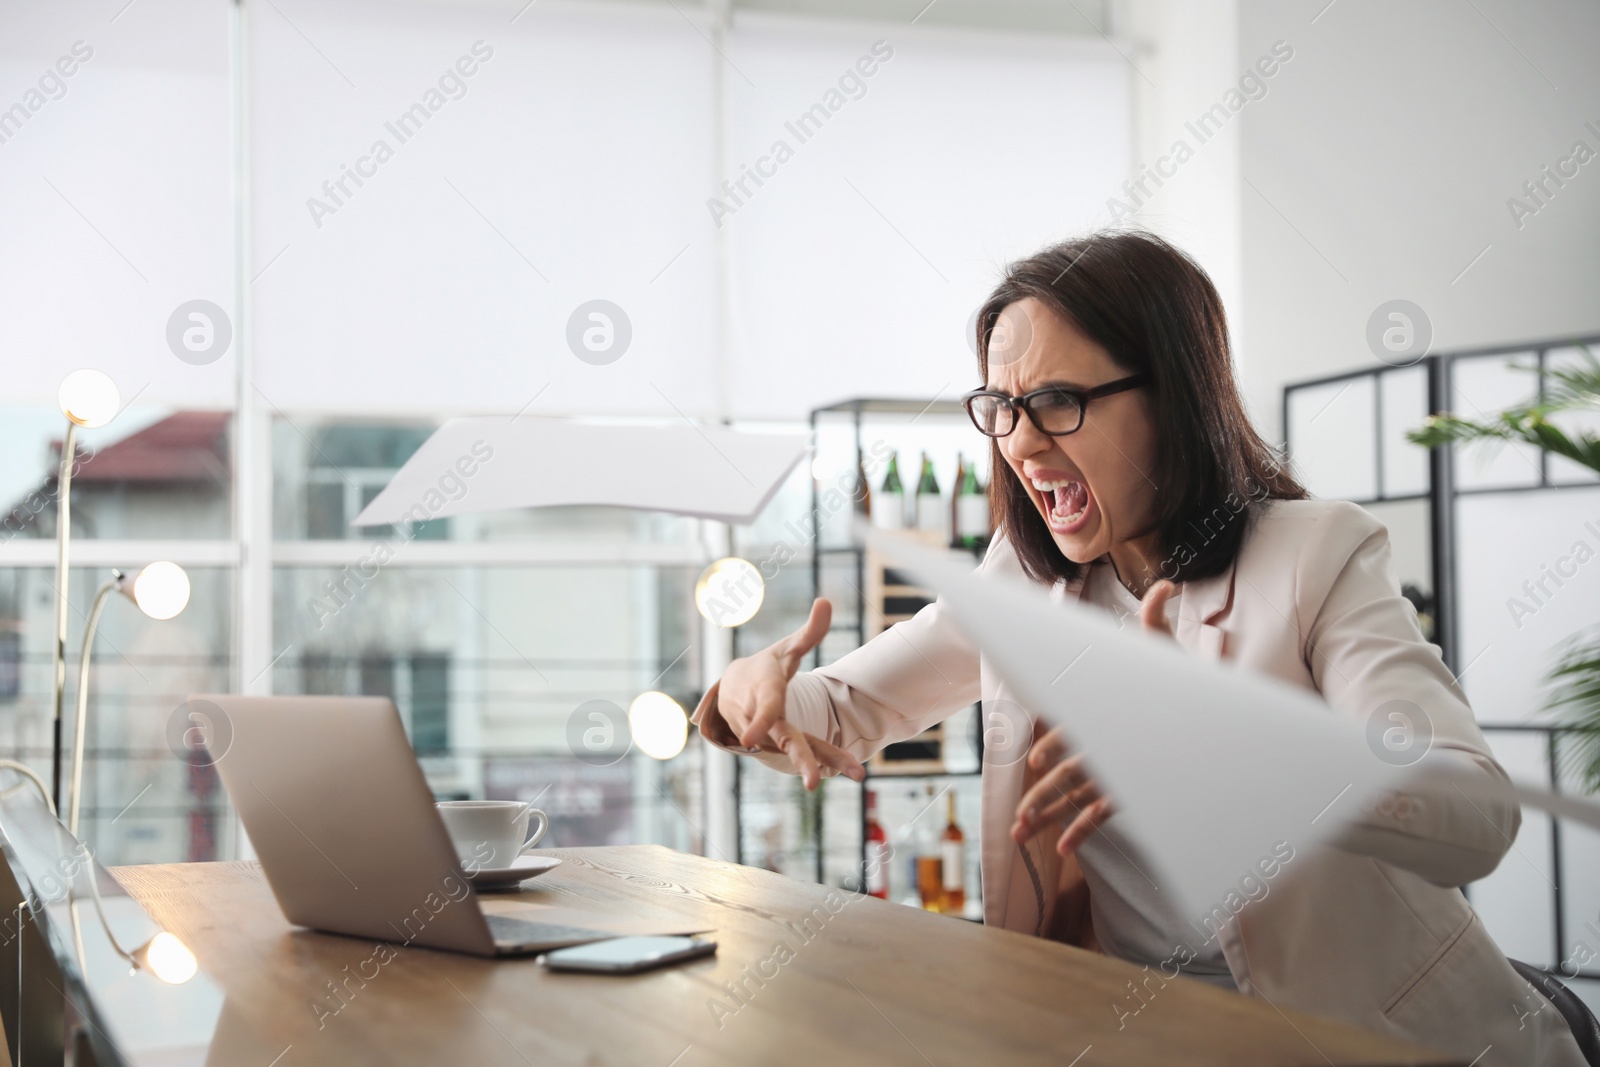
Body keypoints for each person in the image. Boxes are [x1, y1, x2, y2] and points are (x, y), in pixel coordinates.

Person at [692, 231, 1586, 1066]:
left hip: (1375, 1037)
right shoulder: (1021, 583)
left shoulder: (1316, 555)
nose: (1022, 442)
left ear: (1172, 395)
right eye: (1000, 408)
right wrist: (748, 692)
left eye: (1055, 401)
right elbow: (841, 710)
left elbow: (1474, 815)